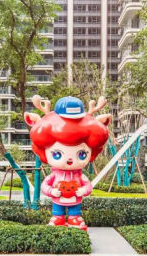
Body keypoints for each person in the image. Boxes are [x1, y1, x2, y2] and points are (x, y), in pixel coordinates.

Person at [24, 95, 111, 230]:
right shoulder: (54, 175)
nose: (69, 160)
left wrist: (83, 190)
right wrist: (51, 191)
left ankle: (74, 218)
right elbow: (45, 185)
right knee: (57, 213)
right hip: (57, 199)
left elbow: (88, 186)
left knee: (75, 213)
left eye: (82, 154)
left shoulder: (79, 176)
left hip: (75, 199)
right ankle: (58, 218)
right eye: (57, 154)